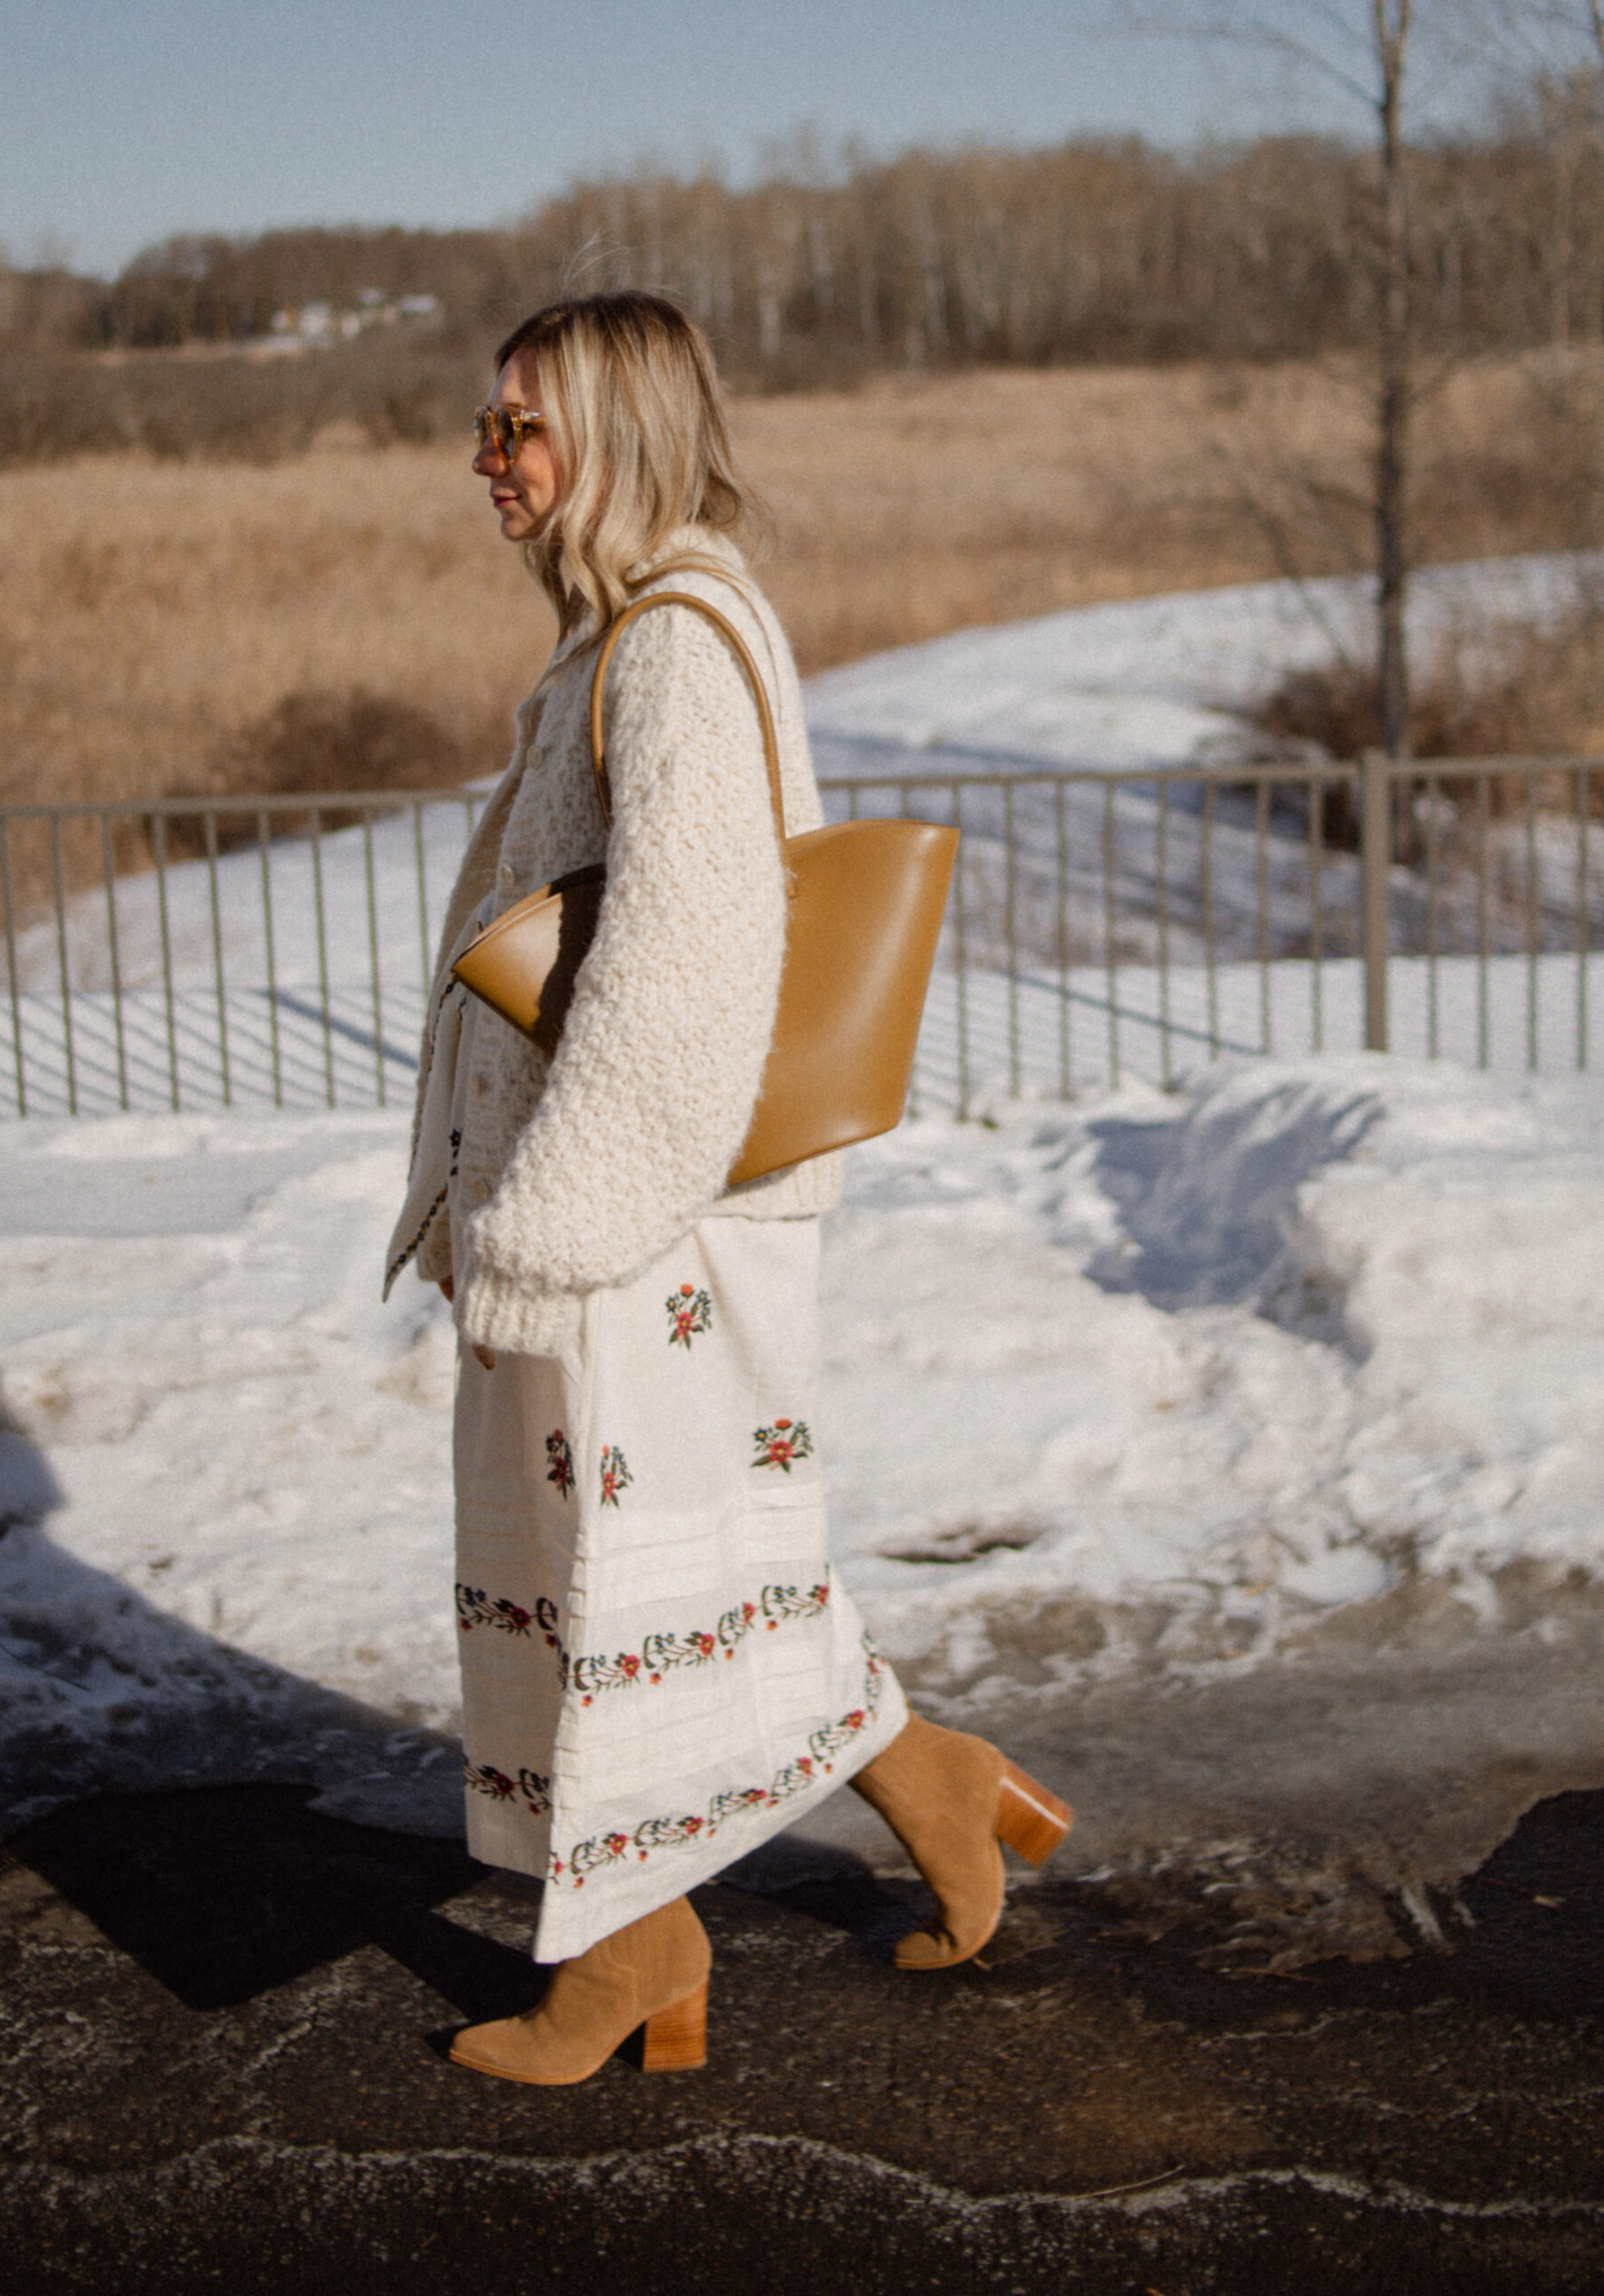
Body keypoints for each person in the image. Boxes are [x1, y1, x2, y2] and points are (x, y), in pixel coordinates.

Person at [385, 291, 1071, 2087]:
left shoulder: (676, 645)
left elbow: (683, 983)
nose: (486, 458)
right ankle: (909, 1795)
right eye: (485, 425)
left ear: (610, 437)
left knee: (606, 1592)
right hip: (638, 1219)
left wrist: (538, 1227)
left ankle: (627, 1951)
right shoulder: (639, 633)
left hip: (622, 1226)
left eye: (517, 427)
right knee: (675, 1581)